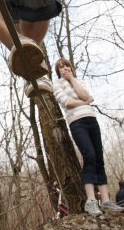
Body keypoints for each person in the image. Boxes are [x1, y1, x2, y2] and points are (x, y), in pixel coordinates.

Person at [53, 57, 124, 216]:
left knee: (99, 158)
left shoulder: (78, 81)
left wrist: (73, 81)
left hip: (92, 120)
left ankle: (105, 202)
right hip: (76, 122)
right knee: (89, 155)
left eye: (67, 67)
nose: (65, 69)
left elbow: (85, 94)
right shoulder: (57, 84)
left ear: (71, 69)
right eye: (61, 68)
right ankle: (91, 201)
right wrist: (85, 102)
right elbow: (67, 103)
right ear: (58, 71)